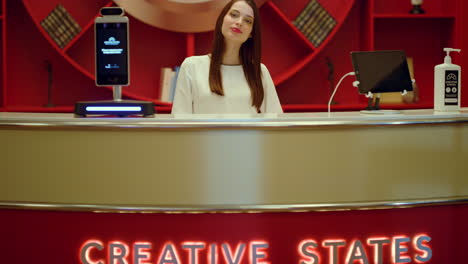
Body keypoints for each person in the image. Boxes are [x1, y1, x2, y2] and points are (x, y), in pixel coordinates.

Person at [171, 0, 283, 114]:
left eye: (248, 21)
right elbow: (179, 122)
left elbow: (277, 122)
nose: (239, 22)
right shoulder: (191, 67)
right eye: (234, 15)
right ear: (222, 20)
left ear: (251, 33)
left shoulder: (259, 72)